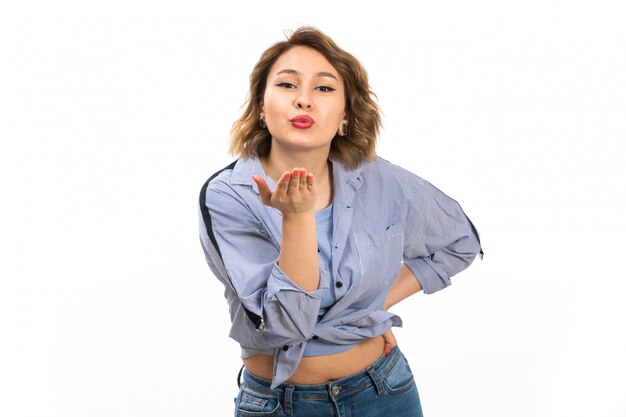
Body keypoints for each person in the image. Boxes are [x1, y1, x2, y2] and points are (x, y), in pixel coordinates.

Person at [198, 26, 482, 417]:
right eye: (286, 85)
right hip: (280, 404)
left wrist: (372, 304)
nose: (304, 100)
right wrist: (296, 218)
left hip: (384, 391)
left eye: (324, 88)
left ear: (345, 115)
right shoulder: (228, 195)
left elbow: (460, 242)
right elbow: (284, 327)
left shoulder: (382, 181)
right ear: (261, 107)